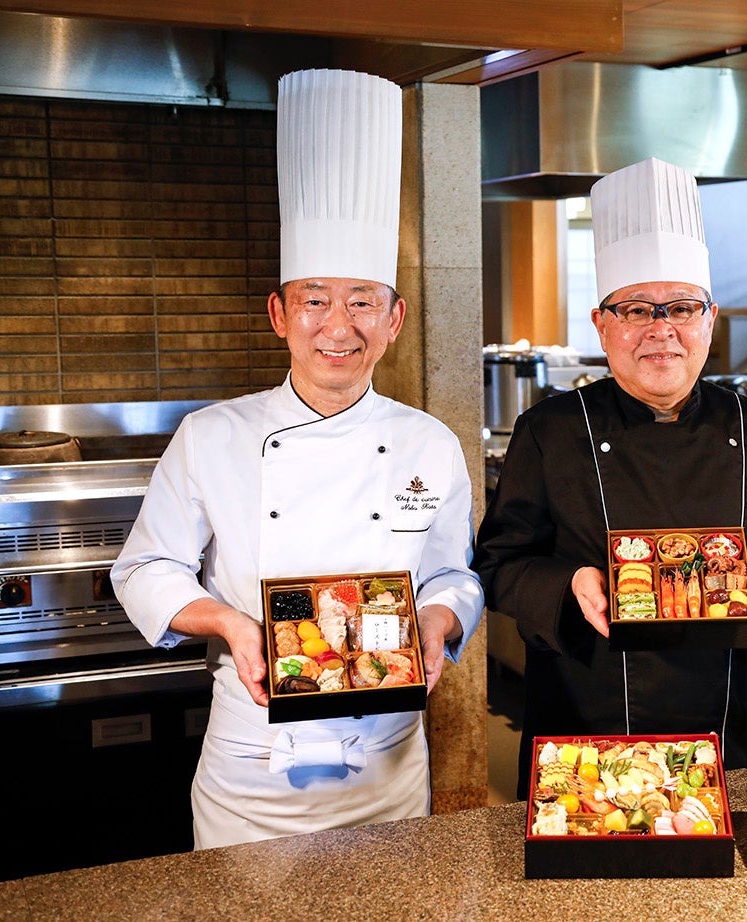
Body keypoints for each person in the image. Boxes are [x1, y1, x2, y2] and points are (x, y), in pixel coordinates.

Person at [111, 68, 483, 848]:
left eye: (363, 301)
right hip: (251, 772)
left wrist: (439, 620)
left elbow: (452, 573)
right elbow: (146, 570)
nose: (337, 326)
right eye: (315, 298)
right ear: (280, 314)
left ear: (395, 318)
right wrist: (230, 624)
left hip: (390, 767)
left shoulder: (428, 443)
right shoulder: (211, 435)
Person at [473, 157, 747, 797]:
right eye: (636, 310)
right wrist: (570, 583)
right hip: (580, 718)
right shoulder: (550, 430)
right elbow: (500, 564)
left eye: (681, 308)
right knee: (573, 890)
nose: (662, 330)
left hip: (720, 720)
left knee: (714, 887)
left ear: (709, 320)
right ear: (602, 326)